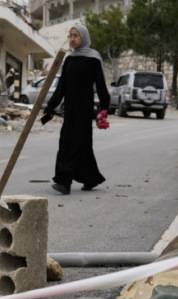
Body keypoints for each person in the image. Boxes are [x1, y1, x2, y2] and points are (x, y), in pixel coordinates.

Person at [42, 23, 111, 195]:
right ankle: (90, 178)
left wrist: (104, 108)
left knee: (69, 144)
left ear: (84, 37)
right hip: (70, 109)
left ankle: (63, 181)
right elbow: (62, 87)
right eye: (70, 36)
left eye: (75, 35)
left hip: (85, 109)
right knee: (82, 145)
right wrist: (50, 107)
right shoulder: (69, 59)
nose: (72, 39)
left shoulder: (94, 58)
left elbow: (101, 86)